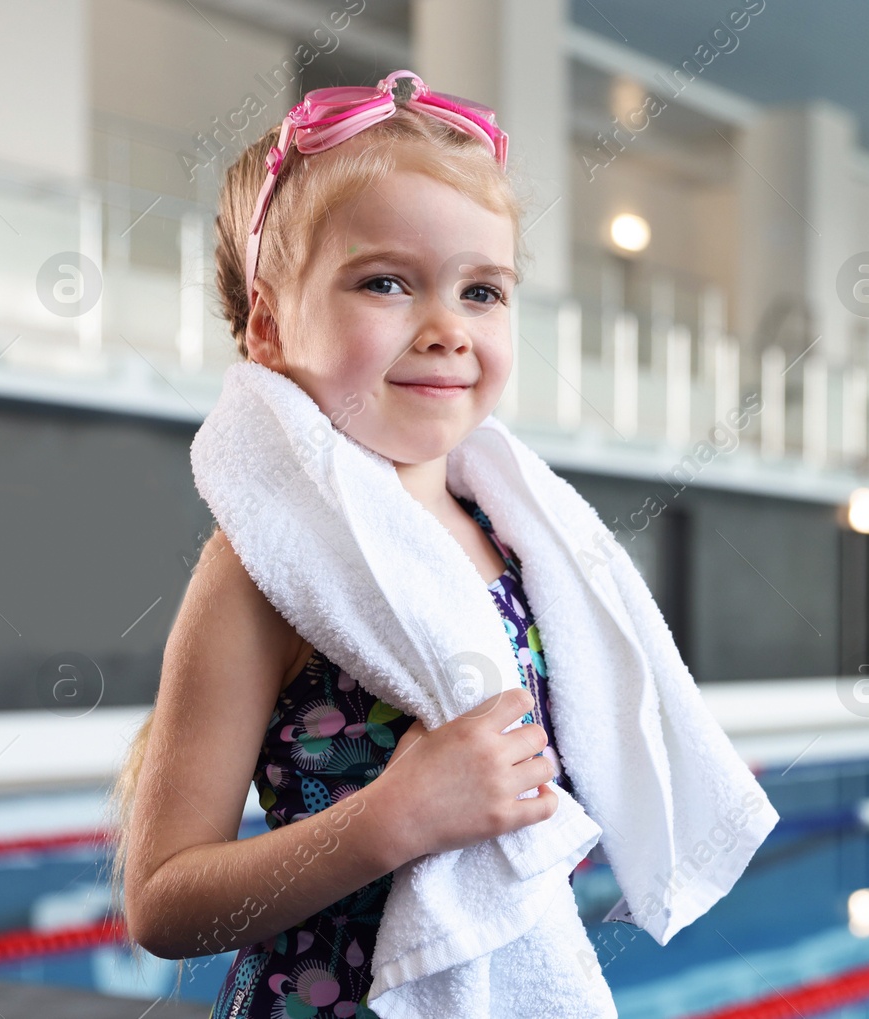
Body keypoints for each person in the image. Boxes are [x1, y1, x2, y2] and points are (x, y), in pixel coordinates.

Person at [108, 70, 572, 1018]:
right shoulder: (258, 569)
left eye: (483, 290)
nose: (448, 328)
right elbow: (161, 902)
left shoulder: (515, 541)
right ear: (271, 326)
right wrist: (389, 820)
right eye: (386, 282)